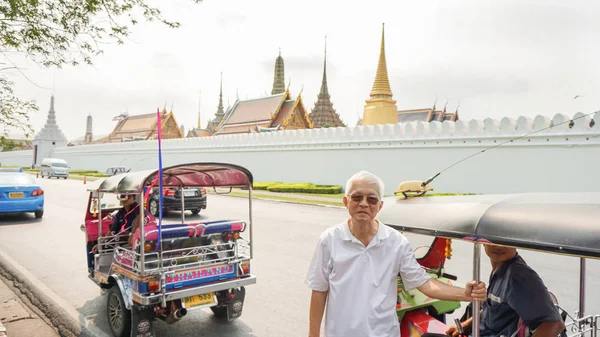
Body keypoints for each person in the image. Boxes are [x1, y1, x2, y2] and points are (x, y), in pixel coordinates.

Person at [305, 171, 487, 337]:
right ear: (346, 202)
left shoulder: (395, 242)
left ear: (380, 206)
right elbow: (319, 290)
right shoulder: (329, 240)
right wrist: (313, 334)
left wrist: (465, 293)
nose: (363, 204)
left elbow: (423, 283)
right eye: (357, 197)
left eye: (371, 199)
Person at [445, 245, 565, 337]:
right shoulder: (500, 268)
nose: (499, 246)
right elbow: (492, 310)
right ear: (483, 242)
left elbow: (554, 325)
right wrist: (464, 325)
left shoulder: (519, 277)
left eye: (504, 241)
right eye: (493, 239)